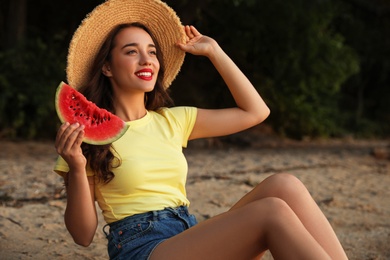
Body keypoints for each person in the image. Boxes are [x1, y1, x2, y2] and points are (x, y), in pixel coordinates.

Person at [54, 0, 348, 259]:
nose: (147, 60)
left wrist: (214, 52)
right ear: (107, 67)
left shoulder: (173, 120)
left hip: (189, 236)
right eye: (132, 52)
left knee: (285, 185)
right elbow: (82, 235)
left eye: (152, 51)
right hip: (141, 248)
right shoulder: (82, 134)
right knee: (271, 211)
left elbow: (256, 112)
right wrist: (77, 168)